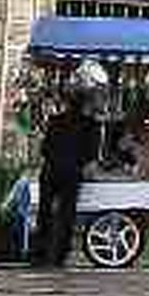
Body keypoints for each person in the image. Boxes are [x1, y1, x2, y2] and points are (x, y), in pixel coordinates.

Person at [31, 90, 99, 266]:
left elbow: (44, 149)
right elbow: (91, 153)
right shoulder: (90, 125)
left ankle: (39, 252)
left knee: (44, 211)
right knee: (67, 214)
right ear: (84, 105)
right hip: (73, 172)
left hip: (51, 170)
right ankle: (60, 253)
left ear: (67, 103)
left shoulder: (55, 121)